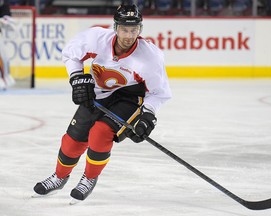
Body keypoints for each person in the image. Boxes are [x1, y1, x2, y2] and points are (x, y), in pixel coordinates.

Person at [33, 4, 172, 202]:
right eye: (124, 29)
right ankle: (59, 176)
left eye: (134, 29)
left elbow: (159, 93)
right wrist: (77, 78)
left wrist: (147, 115)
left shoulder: (149, 57)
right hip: (97, 94)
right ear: (115, 27)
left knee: (100, 132)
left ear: (140, 29)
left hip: (129, 97)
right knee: (73, 141)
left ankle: (89, 178)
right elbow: (71, 54)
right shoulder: (96, 38)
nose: (129, 35)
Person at [0, 0, 15, 90]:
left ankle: (4, 77)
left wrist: (5, 19)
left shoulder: (3, 3)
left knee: (4, 56)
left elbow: (7, 16)